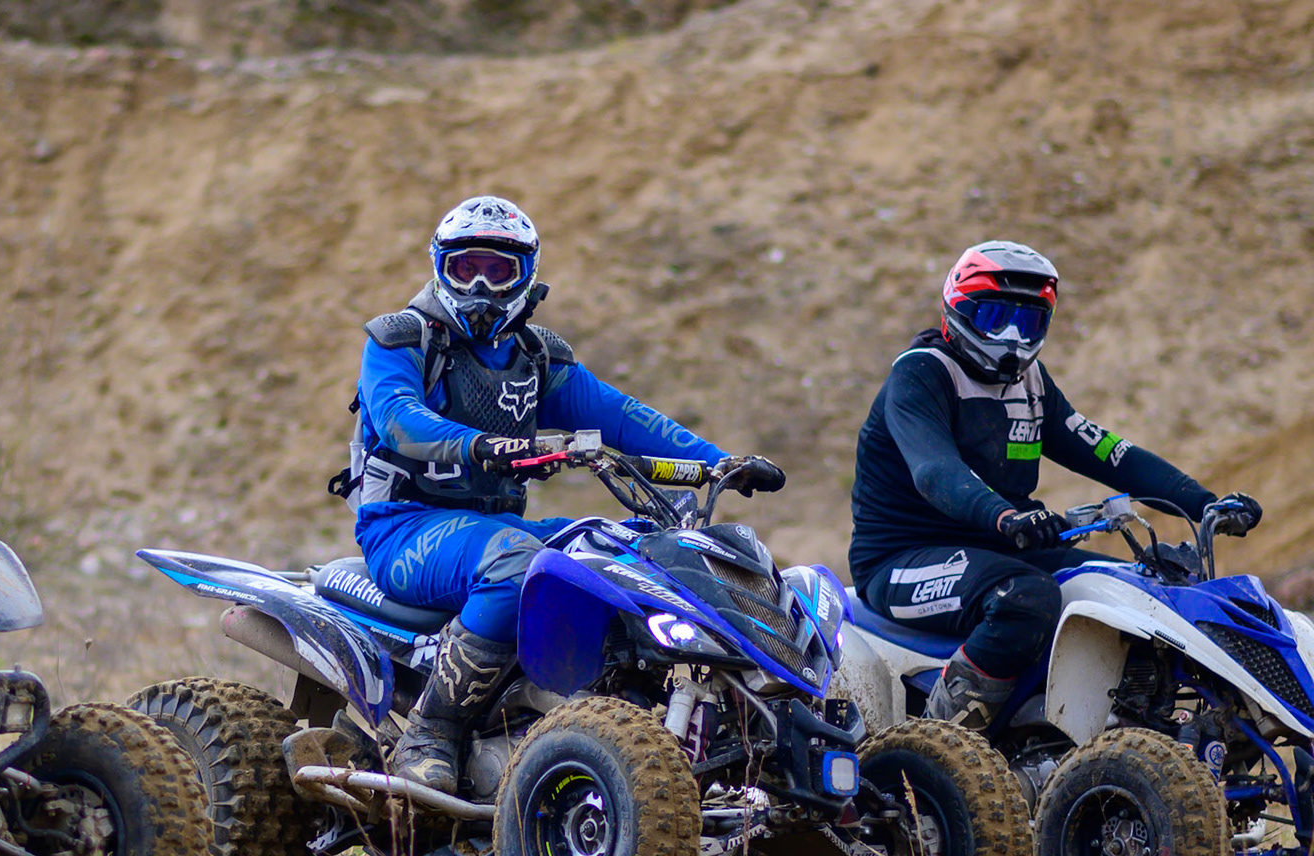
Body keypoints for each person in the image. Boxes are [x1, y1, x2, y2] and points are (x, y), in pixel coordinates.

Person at [338, 195, 783, 793]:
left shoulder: (536, 357)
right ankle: (432, 731)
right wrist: (483, 446)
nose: (479, 286)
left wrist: (718, 462)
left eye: (498, 271)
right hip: (404, 526)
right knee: (516, 566)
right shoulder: (400, 341)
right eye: (464, 267)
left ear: (526, 275)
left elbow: (624, 417)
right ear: (439, 266)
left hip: (494, 528)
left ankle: (616, 715)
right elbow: (400, 421)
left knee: (632, 549)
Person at [847, 240, 1261, 727]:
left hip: (1000, 548)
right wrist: (1005, 515)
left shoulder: (1033, 383)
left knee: (1138, 592)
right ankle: (938, 741)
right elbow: (936, 471)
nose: (1011, 338)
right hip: (900, 560)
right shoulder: (921, 372)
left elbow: (1108, 452)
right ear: (957, 311)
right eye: (995, 318)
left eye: (1027, 323)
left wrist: (1205, 503)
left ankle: (1114, 730)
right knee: (1026, 600)